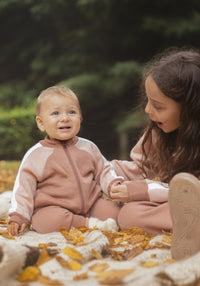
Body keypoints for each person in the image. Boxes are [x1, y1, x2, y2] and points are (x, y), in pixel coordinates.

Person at [103, 47, 200, 260]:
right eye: (148, 101)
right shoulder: (158, 132)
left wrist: (145, 191)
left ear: (190, 110)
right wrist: (105, 168)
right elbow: (141, 168)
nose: (147, 110)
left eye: (157, 105)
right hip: (175, 206)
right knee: (129, 214)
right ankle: (191, 229)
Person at [7, 86, 122, 236]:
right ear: (41, 123)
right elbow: (23, 188)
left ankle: (91, 221)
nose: (65, 118)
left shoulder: (88, 147)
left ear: (80, 118)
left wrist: (114, 185)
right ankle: (89, 224)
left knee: (117, 212)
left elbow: (104, 170)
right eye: (55, 113)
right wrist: (18, 215)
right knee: (44, 221)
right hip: (54, 208)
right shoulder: (36, 155)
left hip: (91, 204)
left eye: (72, 112)